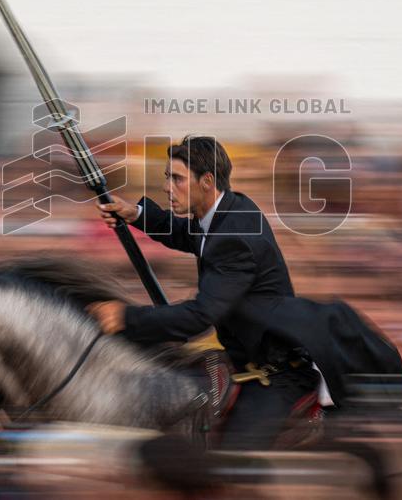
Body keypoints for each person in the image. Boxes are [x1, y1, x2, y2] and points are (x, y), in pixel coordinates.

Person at [88, 135, 320, 450]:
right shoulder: (227, 208)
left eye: (178, 179)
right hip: (244, 360)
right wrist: (136, 214)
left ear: (207, 181)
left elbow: (199, 317)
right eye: (168, 178)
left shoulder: (234, 236)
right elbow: (189, 235)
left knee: (227, 464)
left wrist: (125, 316)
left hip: (275, 376)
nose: (168, 187)